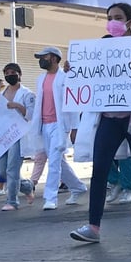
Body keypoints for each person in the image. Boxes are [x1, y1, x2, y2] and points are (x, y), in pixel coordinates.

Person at [68, 3, 131, 243]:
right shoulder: (99, 48)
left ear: (130, 21)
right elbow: (87, 80)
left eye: (118, 18)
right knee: (99, 169)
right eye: (109, 17)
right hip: (108, 119)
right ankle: (93, 227)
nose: (113, 22)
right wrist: (74, 71)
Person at [30, 48, 88, 210]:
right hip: (44, 125)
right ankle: (78, 187)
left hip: (60, 125)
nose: (41, 60)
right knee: (59, 161)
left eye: (44, 57)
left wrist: (74, 127)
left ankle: (51, 197)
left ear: (54, 58)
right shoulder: (40, 78)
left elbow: (74, 103)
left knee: (54, 161)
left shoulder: (66, 77)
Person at [0, 64, 36, 210]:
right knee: (2, 171)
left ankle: (12, 201)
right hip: (3, 136)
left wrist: (18, 106)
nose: (10, 75)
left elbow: (32, 115)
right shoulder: (1, 95)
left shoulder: (27, 94)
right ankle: (27, 187)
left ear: (19, 74)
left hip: (18, 135)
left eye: (13, 72)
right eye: (7, 73)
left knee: (12, 169)